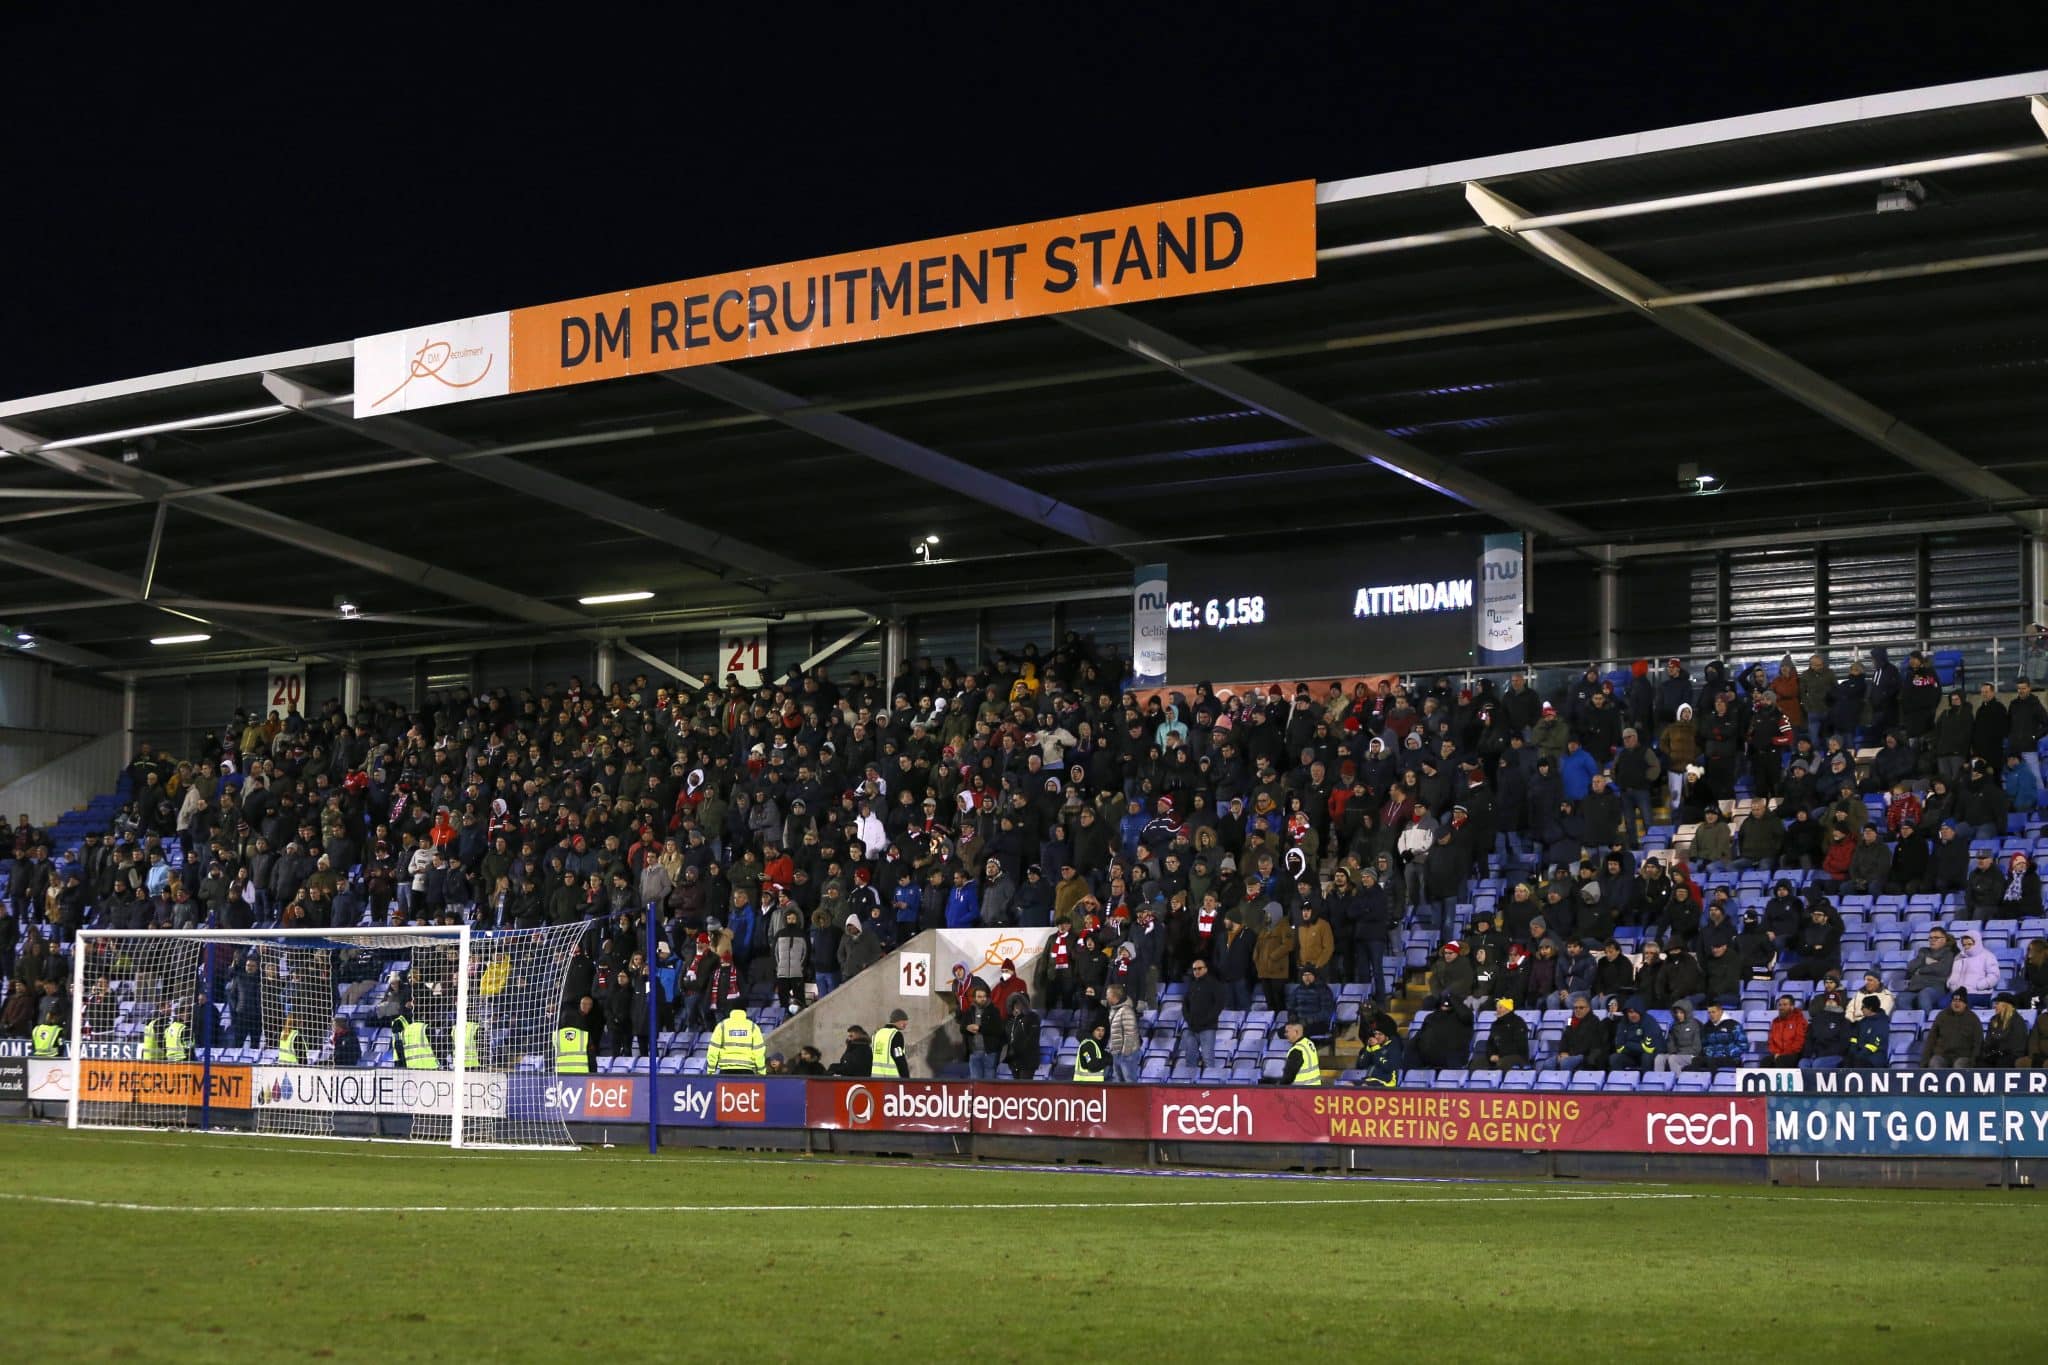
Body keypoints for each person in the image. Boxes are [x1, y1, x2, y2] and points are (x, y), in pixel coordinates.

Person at [1182, 957, 1225, 1071]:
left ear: (1206, 969)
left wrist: (1205, 1021)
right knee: (1190, 1058)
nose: (1196, 971)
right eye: (1194, 969)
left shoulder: (1214, 984)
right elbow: (1185, 1004)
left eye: (1199, 968)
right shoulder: (1192, 984)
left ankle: (1210, 1080)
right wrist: (1188, 1019)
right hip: (1192, 1027)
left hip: (1207, 1027)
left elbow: (1219, 1005)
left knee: (1208, 1058)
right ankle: (1190, 1081)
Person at [1922, 990, 1982, 1068]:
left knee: (1959, 1065)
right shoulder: (1942, 1016)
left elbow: (1978, 1042)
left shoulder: (1973, 1018)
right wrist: (1924, 1062)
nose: (1956, 1003)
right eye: (1954, 1001)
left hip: (1963, 1056)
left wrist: (1974, 1061)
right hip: (1942, 1055)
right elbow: (1931, 1039)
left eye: (1960, 1001)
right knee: (1935, 1062)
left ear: (1965, 1004)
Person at [1904, 928, 1960, 1011]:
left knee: (1924, 995)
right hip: (1916, 987)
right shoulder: (1923, 951)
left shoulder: (1949, 953)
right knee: (1901, 999)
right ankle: (1910, 1018)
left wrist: (1920, 970)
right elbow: (1911, 967)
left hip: (1936, 987)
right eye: (1930, 938)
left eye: (1936, 938)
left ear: (1944, 939)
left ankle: (1927, 1018)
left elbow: (1942, 970)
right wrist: (1924, 960)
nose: (1932, 940)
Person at [958, 983, 1005, 1080]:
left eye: (984, 996)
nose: (982, 999)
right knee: (975, 1083)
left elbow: (998, 1030)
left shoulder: (993, 1011)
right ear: (974, 998)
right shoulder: (969, 1011)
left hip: (989, 1053)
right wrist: (967, 1028)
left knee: (989, 1083)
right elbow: (962, 1028)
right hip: (974, 1053)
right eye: (979, 997)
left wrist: (979, 1028)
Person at [1286, 966, 1337, 1048]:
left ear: (1315, 976)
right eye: (1304, 975)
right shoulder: (1297, 990)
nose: (1307, 977)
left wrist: (1308, 1020)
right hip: (1300, 1022)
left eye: (1309, 975)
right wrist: (1292, 1017)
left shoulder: (1323, 990)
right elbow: (1291, 1007)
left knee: (1299, 1032)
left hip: (1318, 1023)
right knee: (1282, 1031)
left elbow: (1326, 1013)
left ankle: (1304, 1049)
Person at [706, 1005, 765, 1075]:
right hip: (746, 1071)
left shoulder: (722, 1026)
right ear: (745, 1011)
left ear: (731, 1011)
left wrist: (710, 1071)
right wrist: (761, 1072)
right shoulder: (753, 1027)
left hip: (725, 1071)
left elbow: (713, 1049)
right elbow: (759, 1051)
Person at [1608, 998, 1664, 1071]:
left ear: (1640, 1012)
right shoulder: (1623, 1022)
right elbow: (1619, 1047)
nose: (1633, 1015)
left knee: (1646, 1057)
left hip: (1651, 1055)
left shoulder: (1649, 1022)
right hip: (1631, 1056)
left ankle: (1646, 1078)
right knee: (1614, 1058)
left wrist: (1628, 1044)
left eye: (1635, 1012)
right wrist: (1638, 1045)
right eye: (1630, 1012)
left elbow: (1649, 1048)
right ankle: (1621, 1078)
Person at [1556, 995, 1608, 1071]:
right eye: (1575, 1008)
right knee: (1549, 1063)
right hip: (1570, 1054)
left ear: (1588, 1009)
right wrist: (1562, 1052)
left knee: (1565, 1063)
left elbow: (1589, 1044)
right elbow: (1565, 1037)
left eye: (1581, 1007)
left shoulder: (1594, 1021)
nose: (1578, 1010)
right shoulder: (1571, 1020)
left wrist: (1570, 1055)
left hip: (1584, 1055)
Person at [1948, 932, 2002, 1004]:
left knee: (1959, 1004)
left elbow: (1994, 976)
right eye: (1964, 945)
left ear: (1977, 942)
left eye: (1969, 944)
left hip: (1980, 993)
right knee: (1942, 1003)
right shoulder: (1959, 957)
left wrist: (1980, 985)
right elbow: (1954, 974)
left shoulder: (1988, 956)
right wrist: (1952, 984)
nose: (1966, 947)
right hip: (1960, 993)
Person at [1105, 984, 1141, 1084]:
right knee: (1118, 1082)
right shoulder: (1114, 1009)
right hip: (1116, 1053)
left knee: (1129, 1082)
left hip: (1126, 1055)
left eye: (1108, 994)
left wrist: (1125, 1053)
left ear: (1114, 996)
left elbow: (1130, 1034)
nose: (1106, 997)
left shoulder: (1126, 1010)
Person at [1981, 993, 2028, 1068]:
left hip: (2011, 1056)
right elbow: (1988, 1041)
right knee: (1981, 1062)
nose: (1994, 1006)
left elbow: (2018, 1046)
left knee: (2002, 1062)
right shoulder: (1993, 1020)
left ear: (2005, 1006)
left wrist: (2000, 1052)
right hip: (1995, 1054)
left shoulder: (2017, 1021)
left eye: (1997, 1004)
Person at [1483, 997, 1530, 1071]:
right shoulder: (1495, 1024)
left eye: (1500, 1008)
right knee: (1478, 1063)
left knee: (1502, 1063)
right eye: (1497, 1008)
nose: (1497, 1010)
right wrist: (1491, 1055)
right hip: (1499, 1056)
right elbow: (1490, 1044)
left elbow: (1520, 1046)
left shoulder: (1518, 1023)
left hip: (1517, 1056)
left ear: (1508, 1009)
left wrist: (1500, 1056)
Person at [1842, 997, 1890, 1068]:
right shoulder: (1863, 1021)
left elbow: (1874, 1044)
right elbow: (1854, 1037)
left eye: (1863, 1007)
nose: (1861, 1009)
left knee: (1858, 1064)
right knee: (1845, 1062)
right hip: (1860, 1055)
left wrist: (1859, 1056)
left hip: (1875, 1057)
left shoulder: (1882, 1023)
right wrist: (1853, 1051)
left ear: (1870, 1008)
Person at [1655, 1001, 1702, 1072]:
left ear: (1687, 1013)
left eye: (1681, 1013)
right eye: (1677, 1012)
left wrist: (1680, 1053)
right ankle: (1658, 1077)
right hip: (1677, 1054)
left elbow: (1697, 1048)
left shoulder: (1696, 1025)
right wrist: (1673, 1051)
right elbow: (1670, 1042)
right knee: (1659, 1058)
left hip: (1692, 1055)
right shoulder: (1674, 1026)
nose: (1678, 1015)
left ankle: (1677, 1078)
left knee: (1673, 1058)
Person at [1004, 993, 1043, 1080]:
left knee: (1024, 1086)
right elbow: (1008, 1036)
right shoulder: (1010, 1019)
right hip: (1014, 1060)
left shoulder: (1033, 1017)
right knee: (1016, 1086)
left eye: (1020, 1004)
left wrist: (1021, 1018)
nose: (1017, 1007)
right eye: (1015, 1004)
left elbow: (1032, 1038)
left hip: (1028, 1060)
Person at [1763, 994, 1807, 1068]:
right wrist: (1776, 1053)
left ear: (1792, 1007)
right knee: (1765, 1061)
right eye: (1780, 1005)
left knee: (1781, 1061)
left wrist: (1783, 1054)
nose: (1781, 1007)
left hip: (1794, 1054)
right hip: (1778, 1054)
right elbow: (1771, 1041)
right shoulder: (1775, 1021)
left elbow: (1799, 1042)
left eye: (1785, 1005)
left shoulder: (1799, 1020)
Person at [1699, 1002, 1746, 1070]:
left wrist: (1727, 1053)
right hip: (1711, 1058)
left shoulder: (1733, 1025)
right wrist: (1710, 1053)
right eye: (1709, 1013)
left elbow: (1743, 1045)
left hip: (1730, 1058)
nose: (1711, 1015)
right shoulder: (1706, 1027)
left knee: (1712, 1063)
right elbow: (1703, 1045)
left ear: (1720, 1012)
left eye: (1713, 1012)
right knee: (1695, 1061)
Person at [1356, 1018, 1399, 1088]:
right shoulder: (1374, 1046)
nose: (1377, 1037)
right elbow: (1361, 1065)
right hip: (1369, 1080)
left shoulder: (1393, 1047)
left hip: (1386, 1081)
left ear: (1386, 1036)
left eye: (1380, 1034)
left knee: (1364, 1087)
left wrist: (1377, 1049)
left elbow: (1388, 1067)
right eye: (1375, 1034)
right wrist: (1369, 1049)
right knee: (1348, 1085)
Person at [554, 999, 594, 1075]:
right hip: (581, 1076)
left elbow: (548, 1057)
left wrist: (549, 1074)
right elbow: (591, 1059)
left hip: (560, 1075)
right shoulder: (584, 1036)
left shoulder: (555, 1036)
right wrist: (593, 1075)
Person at [1278, 1018, 1321, 1086]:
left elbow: (1288, 1078)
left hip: (1301, 1089)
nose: (1285, 1034)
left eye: (1287, 1032)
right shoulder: (1308, 1042)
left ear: (1296, 1032)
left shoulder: (1296, 1050)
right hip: (1315, 1088)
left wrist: (1278, 1086)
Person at [871, 1008, 910, 1079]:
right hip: (891, 1078)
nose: (905, 1026)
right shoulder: (895, 1034)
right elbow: (899, 1057)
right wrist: (906, 1077)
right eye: (904, 1023)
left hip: (876, 1077)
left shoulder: (877, 1033)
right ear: (898, 1021)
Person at [1074, 1019, 1109, 1083]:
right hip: (1086, 1084)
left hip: (1091, 1084)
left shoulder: (1095, 1045)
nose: (1100, 1033)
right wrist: (1107, 1060)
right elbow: (1092, 1066)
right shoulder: (1088, 1045)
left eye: (1103, 1030)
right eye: (1098, 1030)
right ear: (1093, 1031)